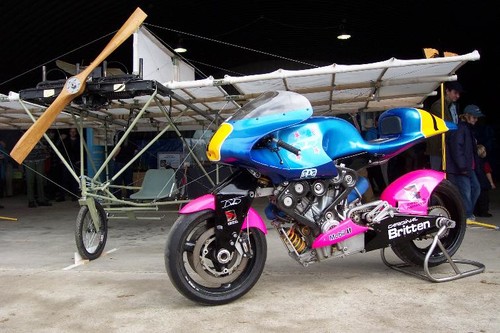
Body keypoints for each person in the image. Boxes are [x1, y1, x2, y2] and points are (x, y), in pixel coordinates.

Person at [445, 104, 483, 221]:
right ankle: (466, 215)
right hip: (461, 168)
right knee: (466, 192)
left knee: (475, 188)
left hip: (467, 167)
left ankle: (466, 213)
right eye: (474, 117)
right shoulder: (460, 129)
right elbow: (457, 148)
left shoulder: (467, 129)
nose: (476, 120)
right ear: (467, 116)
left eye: (477, 118)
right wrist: (462, 167)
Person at [425, 81, 464, 171]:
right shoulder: (438, 106)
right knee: (437, 174)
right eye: (455, 93)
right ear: (447, 91)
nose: (458, 96)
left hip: (444, 147)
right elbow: (447, 125)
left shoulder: (450, 106)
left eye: (458, 93)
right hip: (437, 148)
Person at [24, 139, 52, 208]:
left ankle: (41, 200)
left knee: (41, 180)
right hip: (29, 160)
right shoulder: (25, 135)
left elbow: (47, 148)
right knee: (30, 180)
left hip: (40, 159)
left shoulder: (42, 137)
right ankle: (31, 201)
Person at [112, 131, 136, 199]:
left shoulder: (119, 133)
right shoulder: (132, 134)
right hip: (129, 162)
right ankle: (130, 198)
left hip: (119, 161)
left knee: (117, 182)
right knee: (129, 182)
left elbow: (118, 147)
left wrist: (113, 156)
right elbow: (135, 150)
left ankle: (117, 199)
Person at [474, 144, 495, 217]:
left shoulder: (474, 161)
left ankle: (476, 211)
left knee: (477, 197)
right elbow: (488, 173)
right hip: (484, 183)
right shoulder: (485, 162)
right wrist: (491, 183)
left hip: (476, 181)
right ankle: (484, 212)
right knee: (485, 198)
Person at [60, 128, 81, 201]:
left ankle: (74, 195)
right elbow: (61, 150)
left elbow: (82, 151)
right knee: (64, 179)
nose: (72, 133)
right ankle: (62, 195)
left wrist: (80, 160)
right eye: (71, 131)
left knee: (75, 179)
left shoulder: (79, 141)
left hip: (76, 162)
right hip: (67, 162)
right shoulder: (65, 141)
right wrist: (62, 159)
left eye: (74, 132)